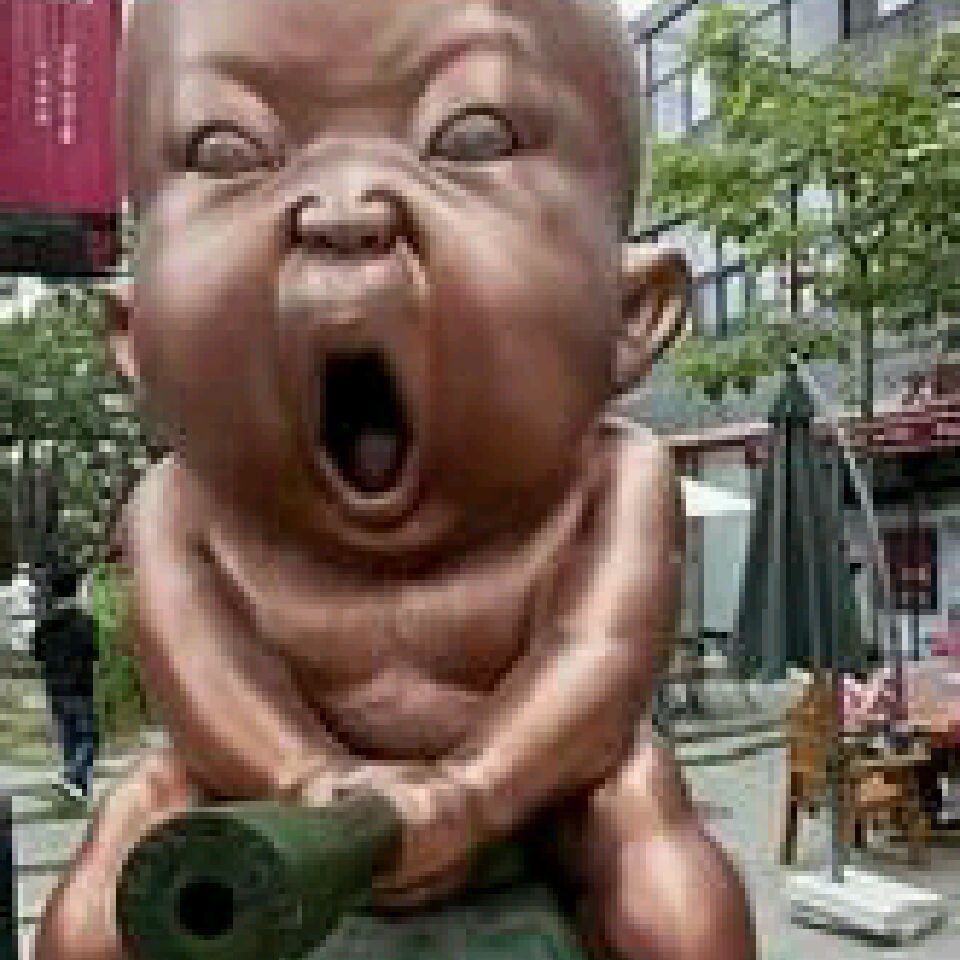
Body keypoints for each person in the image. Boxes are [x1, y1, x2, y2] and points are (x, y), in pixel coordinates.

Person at [37, 3, 756, 959]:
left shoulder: (615, 476)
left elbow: (599, 656)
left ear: (632, 312)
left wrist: (476, 792)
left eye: (471, 137)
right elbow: (202, 673)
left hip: (544, 796)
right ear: (134, 339)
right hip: (264, 799)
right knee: (117, 869)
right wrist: (301, 780)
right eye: (226, 151)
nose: (345, 210)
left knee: (658, 853)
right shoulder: (177, 508)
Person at [30, 560, 98, 803]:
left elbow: (37, 654)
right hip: (80, 686)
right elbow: (94, 653)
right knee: (87, 737)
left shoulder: (45, 624)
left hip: (54, 687)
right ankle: (72, 776)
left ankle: (79, 791)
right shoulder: (84, 622)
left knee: (68, 738)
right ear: (76, 589)